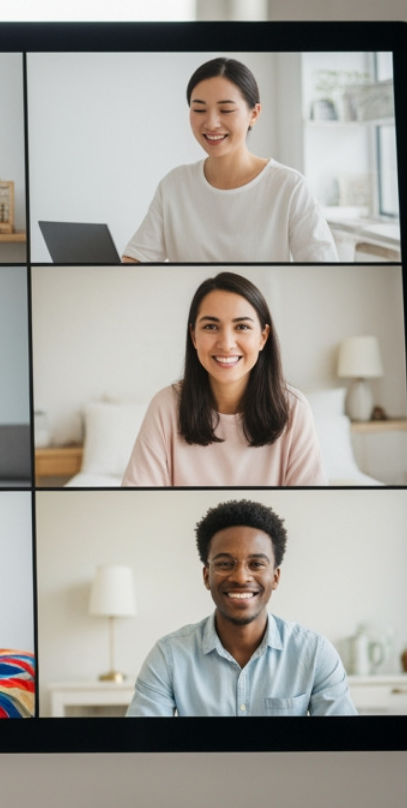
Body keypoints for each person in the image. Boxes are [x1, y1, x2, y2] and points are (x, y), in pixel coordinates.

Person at [126, 499, 356, 717]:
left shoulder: (315, 653)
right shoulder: (169, 656)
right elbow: (140, 748)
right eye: (225, 564)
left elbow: (347, 748)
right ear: (207, 576)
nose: (240, 577)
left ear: (275, 577)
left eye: (256, 564)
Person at [122, 57, 337, 263]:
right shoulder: (174, 185)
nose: (211, 123)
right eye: (199, 109)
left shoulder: (289, 186)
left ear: (254, 114)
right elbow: (137, 259)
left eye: (226, 110)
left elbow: (324, 270)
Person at [122, 272, 325, 487]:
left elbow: (308, 509)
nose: (226, 344)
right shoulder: (165, 406)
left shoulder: (294, 409)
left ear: (263, 337)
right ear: (194, 336)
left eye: (242, 327)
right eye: (211, 327)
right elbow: (138, 499)